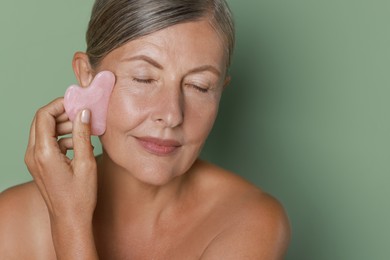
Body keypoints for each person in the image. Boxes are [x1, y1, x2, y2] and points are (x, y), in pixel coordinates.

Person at [0, 0, 290, 259]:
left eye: (199, 86)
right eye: (143, 79)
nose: (171, 115)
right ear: (87, 77)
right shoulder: (9, 222)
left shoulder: (249, 220)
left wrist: (71, 226)